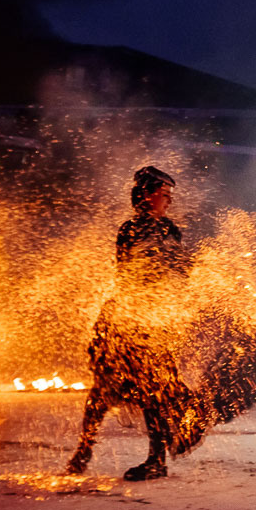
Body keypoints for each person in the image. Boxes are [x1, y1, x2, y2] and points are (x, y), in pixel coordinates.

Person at [66, 165, 213, 481]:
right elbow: (129, 274)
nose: (169, 202)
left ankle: (156, 459)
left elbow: (177, 275)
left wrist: (188, 267)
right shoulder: (129, 229)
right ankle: (84, 449)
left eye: (170, 196)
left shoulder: (171, 230)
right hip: (128, 319)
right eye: (164, 195)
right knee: (103, 389)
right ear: (146, 195)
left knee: (153, 392)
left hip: (153, 323)